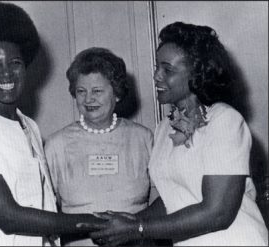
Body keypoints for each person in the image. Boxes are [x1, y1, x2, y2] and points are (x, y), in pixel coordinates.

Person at [78, 22, 269, 246]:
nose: (157, 76)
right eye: (157, 67)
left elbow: (218, 213)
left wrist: (137, 229)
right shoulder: (164, 128)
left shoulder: (224, 120)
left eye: (167, 70)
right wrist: (131, 220)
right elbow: (173, 196)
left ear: (196, 73)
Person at [0, 2, 103, 246]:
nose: (6, 74)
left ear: (25, 67)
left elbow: (44, 203)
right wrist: (95, 222)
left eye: (15, 63)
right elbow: (9, 217)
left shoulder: (28, 125)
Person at [44, 47, 155, 246]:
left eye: (97, 91)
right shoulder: (56, 145)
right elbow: (47, 211)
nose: (88, 99)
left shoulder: (143, 139)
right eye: (81, 91)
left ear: (117, 94)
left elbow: (162, 203)